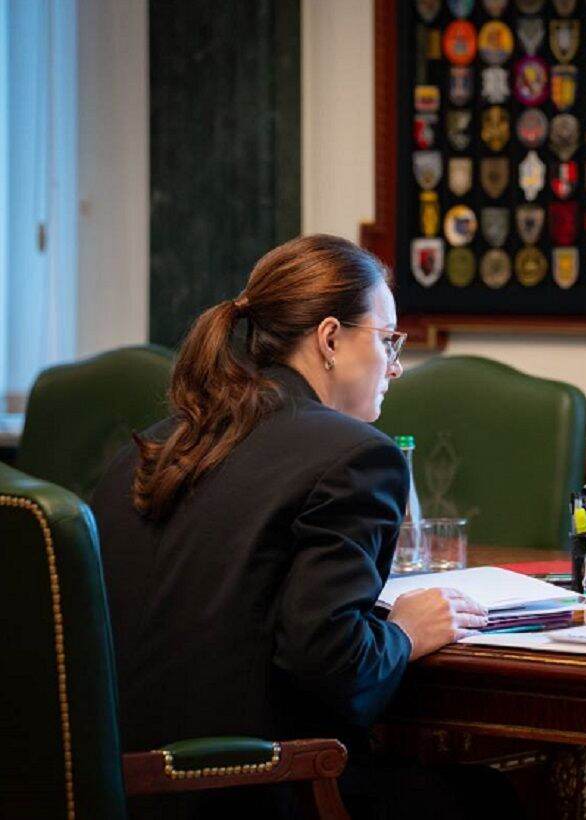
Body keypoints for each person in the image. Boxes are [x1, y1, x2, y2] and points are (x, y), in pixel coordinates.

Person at [92, 234, 510, 818]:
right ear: (330, 338)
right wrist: (405, 632)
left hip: (114, 789)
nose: (395, 367)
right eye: (387, 340)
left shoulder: (154, 446)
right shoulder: (356, 456)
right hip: (256, 789)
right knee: (491, 798)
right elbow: (333, 667)